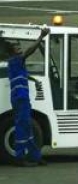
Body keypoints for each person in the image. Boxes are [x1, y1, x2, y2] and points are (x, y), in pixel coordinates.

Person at [1, 25, 49, 166]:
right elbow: (29, 51)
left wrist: (33, 80)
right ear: (12, 52)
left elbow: (23, 75)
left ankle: (35, 156)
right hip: (20, 97)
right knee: (22, 126)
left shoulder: (15, 63)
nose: (20, 48)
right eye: (17, 47)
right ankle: (20, 157)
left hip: (22, 97)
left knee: (27, 126)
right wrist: (41, 37)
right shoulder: (16, 60)